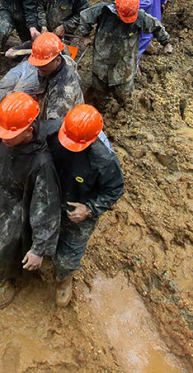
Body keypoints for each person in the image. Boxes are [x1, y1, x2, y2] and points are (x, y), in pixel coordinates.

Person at [0, 92, 61, 308]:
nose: (2, 138)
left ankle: (6, 279)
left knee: (5, 246)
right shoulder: (4, 128)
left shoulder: (41, 163)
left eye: (8, 136)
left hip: (17, 204)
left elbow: (46, 209)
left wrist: (39, 248)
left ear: (28, 131)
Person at [44, 105, 123, 307]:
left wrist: (88, 209)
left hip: (79, 204)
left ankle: (63, 279)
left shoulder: (104, 160)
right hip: (52, 194)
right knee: (42, 235)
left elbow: (114, 190)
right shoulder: (52, 129)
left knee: (67, 257)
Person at [75, 0, 172, 111]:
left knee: (124, 96)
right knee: (99, 92)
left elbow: (156, 26)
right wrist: (85, 35)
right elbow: (85, 16)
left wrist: (166, 42)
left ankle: (123, 110)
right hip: (101, 63)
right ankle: (102, 108)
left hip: (123, 67)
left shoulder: (140, 17)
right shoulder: (102, 10)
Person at [0, 32, 84, 131]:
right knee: (10, 94)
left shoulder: (63, 92)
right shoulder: (49, 64)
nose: (39, 68)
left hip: (57, 121)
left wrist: (28, 128)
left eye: (43, 65)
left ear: (57, 61)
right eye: (37, 64)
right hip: (43, 88)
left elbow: (53, 126)